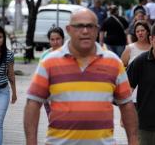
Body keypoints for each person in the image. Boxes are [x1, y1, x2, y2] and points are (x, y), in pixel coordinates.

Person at [24, 9, 138, 145]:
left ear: (97, 30)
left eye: (90, 26)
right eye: (79, 26)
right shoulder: (49, 62)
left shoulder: (114, 63)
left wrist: (133, 141)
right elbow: (33, 103)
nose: (85, 31)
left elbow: (126, 105)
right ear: (69, 29)